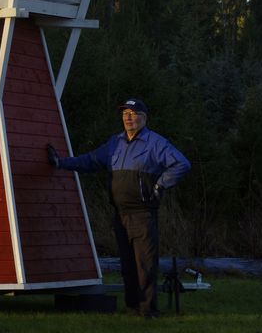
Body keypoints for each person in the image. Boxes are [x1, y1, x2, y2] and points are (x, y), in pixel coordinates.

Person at [47, 97, 190, 318]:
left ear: (144, 118)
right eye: (125, 114)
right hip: (120, 214)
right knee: (127, 265)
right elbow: (90, 161)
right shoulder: (115, 142)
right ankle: (133, 307)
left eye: (133, 114)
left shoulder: (155, 143)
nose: (128, 118)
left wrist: (161, 185)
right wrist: (61, 163)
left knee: (145, 264)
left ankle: (148, 310)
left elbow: (182, 164)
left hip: (143, 214)